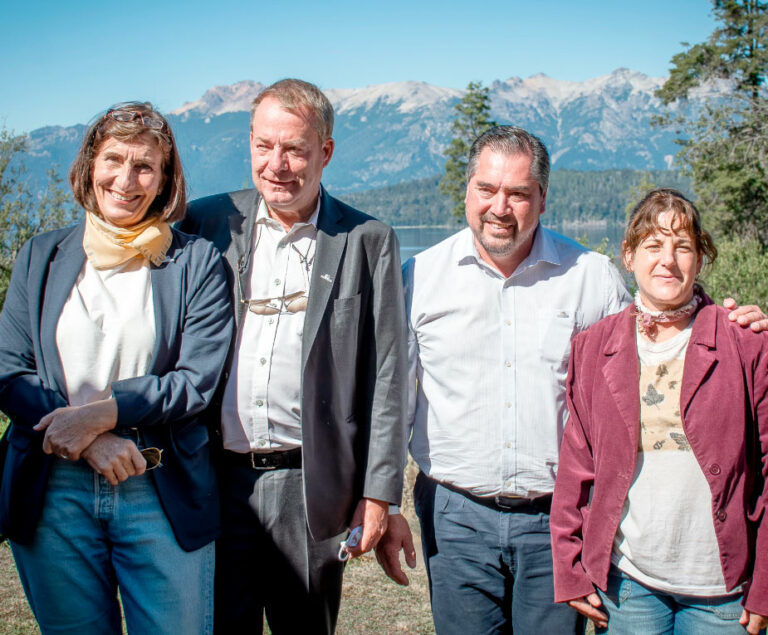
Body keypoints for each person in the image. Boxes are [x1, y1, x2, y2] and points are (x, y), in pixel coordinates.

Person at [375, 126, 768, 634]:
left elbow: (656, 328)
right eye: (486, 189)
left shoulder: (590, 276)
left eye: (518, 193)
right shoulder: (419, 277)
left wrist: (727, 323)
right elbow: (392, 400)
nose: (500, 207)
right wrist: (385, 502)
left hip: (557, 521)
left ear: (542, 199)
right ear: (467, 190)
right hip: (454, 517)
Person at [179, 78, 407, 634]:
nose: (276, 165)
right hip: (214, 478)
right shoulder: (207, 223)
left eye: (295, 150)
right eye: (264, 146)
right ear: (250, 143)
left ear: (325, 151)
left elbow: (388, 377)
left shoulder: (367, 240)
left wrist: (379, 494)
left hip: (310, 487)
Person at [0, 102, 233, 634]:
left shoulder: (195, 263)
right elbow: (9, 370)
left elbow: (195, 382)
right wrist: (87, 439)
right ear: (90, 165)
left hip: (159, 486)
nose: (125, 180)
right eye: (113, 160)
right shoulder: (40, 256)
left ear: (165, 179)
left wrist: (103, 414)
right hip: (53, 489)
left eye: (144, 166)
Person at [550, 189, 768, 634]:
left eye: (682, 246)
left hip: (724, 591)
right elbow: (576, 466)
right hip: (628, 584)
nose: (668, 260)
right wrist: (569, 568)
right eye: (653, 245)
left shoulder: (746, 344)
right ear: (628, 256)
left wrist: (765, 585)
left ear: (700, 259)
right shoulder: (593, 347)